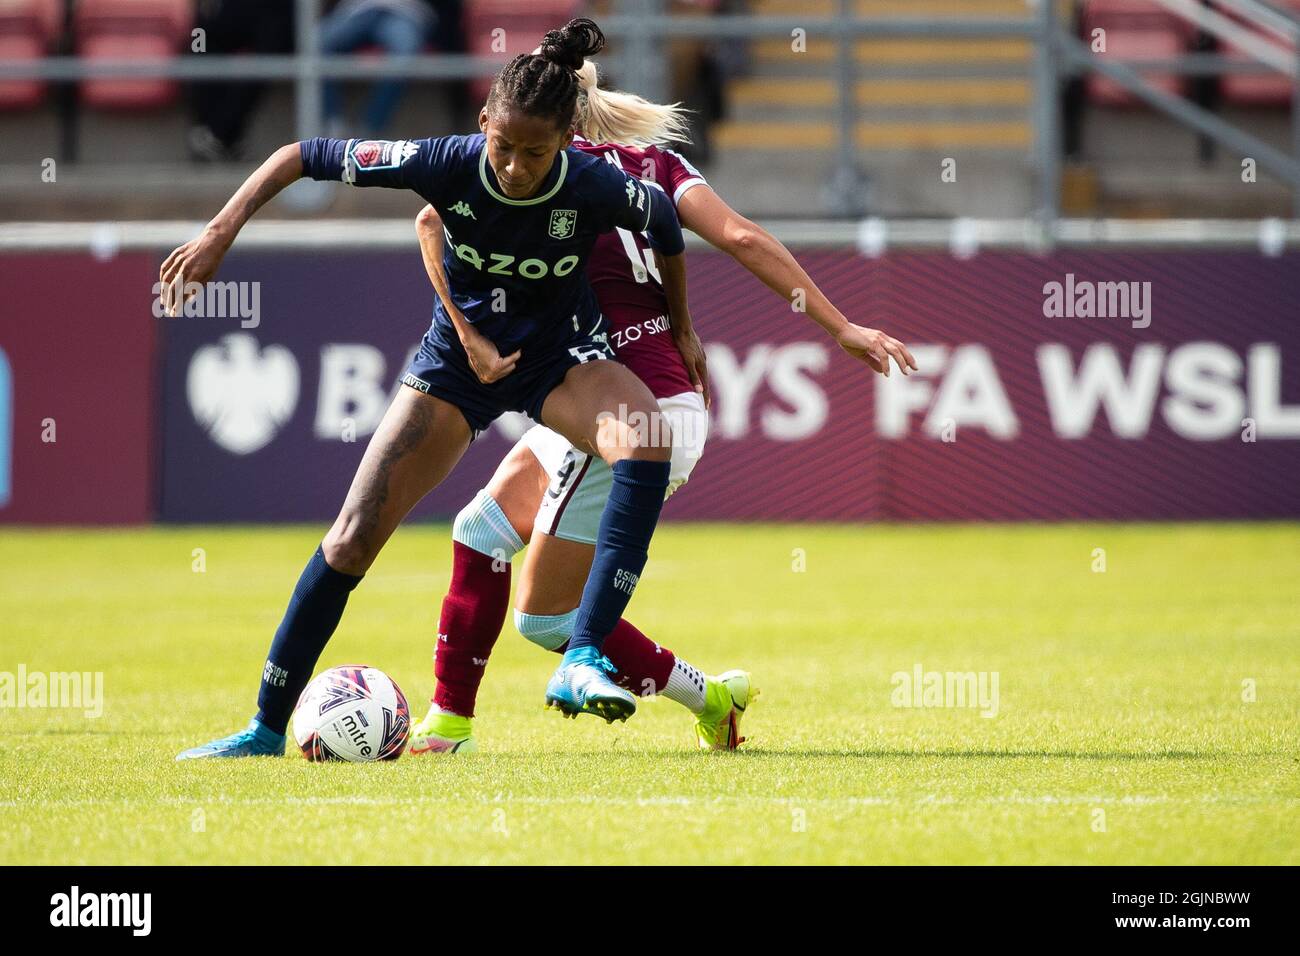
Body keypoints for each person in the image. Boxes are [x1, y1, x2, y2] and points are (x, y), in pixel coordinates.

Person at [169, 18, 694, 759]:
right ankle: (263, 726)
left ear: (568, 141)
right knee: (353, 538)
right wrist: (220, 231)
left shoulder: (595, 184)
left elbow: (666, 221)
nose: (514, 166)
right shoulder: (443, 163)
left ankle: (581, 656)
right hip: (454, 367)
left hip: (558, 358)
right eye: (502, 145)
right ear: (483, 123)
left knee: (644, 438)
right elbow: (298, 156)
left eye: (535, 153)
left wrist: (684, 327)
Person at [406, 59, 918, 754]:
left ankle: (700, 697)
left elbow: (431, 221)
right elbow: (739, 236)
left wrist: (469, 330)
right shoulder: (662, 166)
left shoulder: (546, 174)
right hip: (615, 407)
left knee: (545, 621)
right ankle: (452, 724)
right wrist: (840, 326)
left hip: (631, 415)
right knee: (481, 530)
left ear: (559, 122)